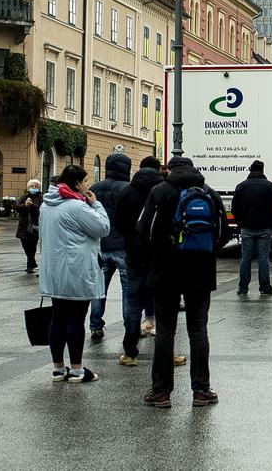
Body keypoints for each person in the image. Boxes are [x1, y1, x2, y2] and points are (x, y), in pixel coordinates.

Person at [139, 157, 227, 409]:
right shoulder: (209, 193)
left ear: (169, 170)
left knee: (166, 331)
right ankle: (201, 390)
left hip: (165, 271)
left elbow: (143, 229)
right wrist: (206, 252)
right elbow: (223, 233)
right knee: (198, 329)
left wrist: (156, 254)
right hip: (201, 271)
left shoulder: (159, 191)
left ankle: (161, 392)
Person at [38, 164, 111, 383]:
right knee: (76, 319)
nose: (88, 185)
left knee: (58, 319)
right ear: (77, 184)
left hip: (53, 270)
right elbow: (103, 228)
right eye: (86, 181)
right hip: (76, 270)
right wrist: (95, 204)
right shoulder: (76, 207)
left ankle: (59, 369)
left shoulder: (46, 204)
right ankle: (78, 370)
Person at [114, 156, 185, 367]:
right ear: (159, 170)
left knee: (134, 304)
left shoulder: (127, 191)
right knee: (164, 306)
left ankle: (130, 353)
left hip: (134, 256)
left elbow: (118, 223)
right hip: (160, 256)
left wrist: (130, 239)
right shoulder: (165, 191)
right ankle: (167, 354)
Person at [88, 153, 132, 342]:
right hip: (122, 245)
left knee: (99, 288)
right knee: (128, 289)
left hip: (101, 245)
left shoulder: (94, 189)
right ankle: (129, 326)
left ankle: (95, 325)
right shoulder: (127, 189)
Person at [231, 160, 272, 296]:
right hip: (265, 228)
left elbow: (234, 208)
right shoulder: (270, 187)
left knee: (246, 257)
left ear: (250, 170)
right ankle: (265, 287)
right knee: (263, 258)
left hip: (246, 227)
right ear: (263, 170)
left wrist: (240, 222)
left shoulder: (241, 186)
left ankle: (243, 289)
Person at [15, 179, 43, 273]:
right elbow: (17, 208)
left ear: (39, 188)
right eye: (32, 186)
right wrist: (25, 205)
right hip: (24, 225)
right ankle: (32, 261)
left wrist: (32, 205)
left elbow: (41, 209)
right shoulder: (24, 197)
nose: (34, 187)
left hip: (35, 225)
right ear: (28, 188)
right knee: (24, 244)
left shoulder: (41, 198)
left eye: (36, 186)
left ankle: (29, 264)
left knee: (32, 245)